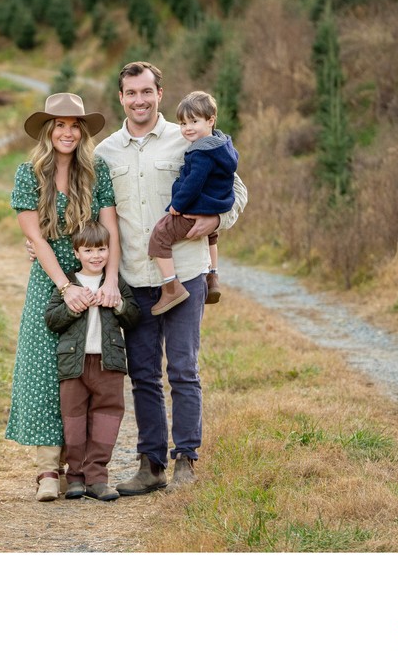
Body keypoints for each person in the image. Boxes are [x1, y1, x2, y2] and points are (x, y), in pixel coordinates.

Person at [95, 61, 247, 494]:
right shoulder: (106, 152)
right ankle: (150, 464)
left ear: (160, 93)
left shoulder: (188, 139)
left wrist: (217, 216)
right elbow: (90, 214)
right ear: (121, 97)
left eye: (147, 91)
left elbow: (237, 190)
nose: (139, 100)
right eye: (131, 93)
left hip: (187, 272)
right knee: (142, 374)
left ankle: (186, 461)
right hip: (135, 279)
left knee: (182, 368)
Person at [6, 93, 122, 503]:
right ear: (47, 130)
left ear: (83, 132)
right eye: (60, 124)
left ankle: (85, 468)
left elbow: (110, 229)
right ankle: (46, 470)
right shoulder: (28, 173)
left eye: (75, 125)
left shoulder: (97, 171)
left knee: (82, 373)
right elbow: (34, 236)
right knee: (42, 370)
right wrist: (64, 286)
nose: (68, 132)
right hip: (51, 282)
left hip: (92, 281)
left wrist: (109, 283)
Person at [44, 221, 141, 502]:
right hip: (74, 366)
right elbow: (52, 320)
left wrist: (117, 304)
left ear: (110, 251)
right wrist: (74, 307)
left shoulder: (114, 283)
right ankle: (74, 477)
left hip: (108, 364)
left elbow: (133, 315)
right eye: (88, 250)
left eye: (102, 249)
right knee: (73, 421)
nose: (96, 255)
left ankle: (97, 477)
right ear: (77, 253)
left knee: (107, 418)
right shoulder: (68, 285)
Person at [149, 90, 239, 315]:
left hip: (195, 209)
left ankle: (171, 287)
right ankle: (213, 276)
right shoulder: (221, 145)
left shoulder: (200, 152)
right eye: (182, 123)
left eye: (194, 121)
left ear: (210, 120)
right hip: (215, 204)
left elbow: (193, 183)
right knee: (212, 235)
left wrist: (177, 205)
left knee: (160, 235)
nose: (187, 128)